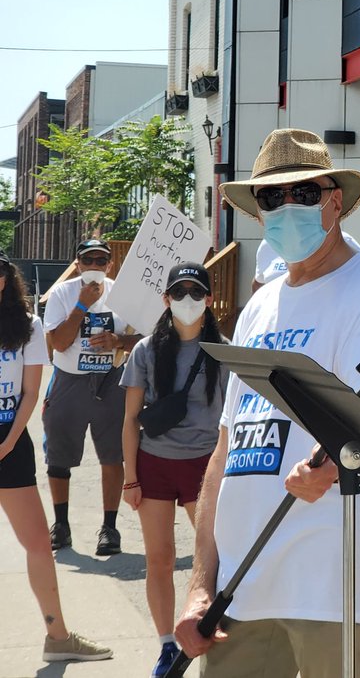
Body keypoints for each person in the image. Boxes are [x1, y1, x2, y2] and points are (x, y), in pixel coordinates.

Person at [174, 128, 360, 678]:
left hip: (332, 584)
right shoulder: (259, 310)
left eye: (304, 193)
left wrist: (329, 467)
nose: (287, 207)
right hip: (243, 587)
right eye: (271, 197)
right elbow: (226, 455)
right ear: (256, 212)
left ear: (335, 201)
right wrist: (200, 585)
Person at [0, 250, 113, 662]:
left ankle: (58, 638)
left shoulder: (26, 326)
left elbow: (31, 391)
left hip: (9, 443)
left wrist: (10, 441)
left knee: (38, 547)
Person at [121, 262, 229, 678]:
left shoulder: (224, 349)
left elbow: (233, 418)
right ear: (165, 300)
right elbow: (130, 418)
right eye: (179, 293)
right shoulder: (147, 349)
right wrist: (130, 477)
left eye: (196, 293)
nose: (188, 301)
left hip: (206, 465)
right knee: (160, 560)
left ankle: (213, 631)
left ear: (209, 299)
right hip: (155, 464)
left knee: (216, 557)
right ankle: (167, 646)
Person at [42, 237, 142, 556]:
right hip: (69, 380)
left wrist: (117, 340)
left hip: (110, 380)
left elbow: (142, 339)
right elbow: (58, 343)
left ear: (110, 265)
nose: (95, 267)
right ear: (78, 263)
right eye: (89, 260)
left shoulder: (122, 295)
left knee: (112, 455)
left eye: (102, 261)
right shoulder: (62, 293)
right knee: (59, 454)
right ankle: (61, 524)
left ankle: (109, 528)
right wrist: (82, 306)